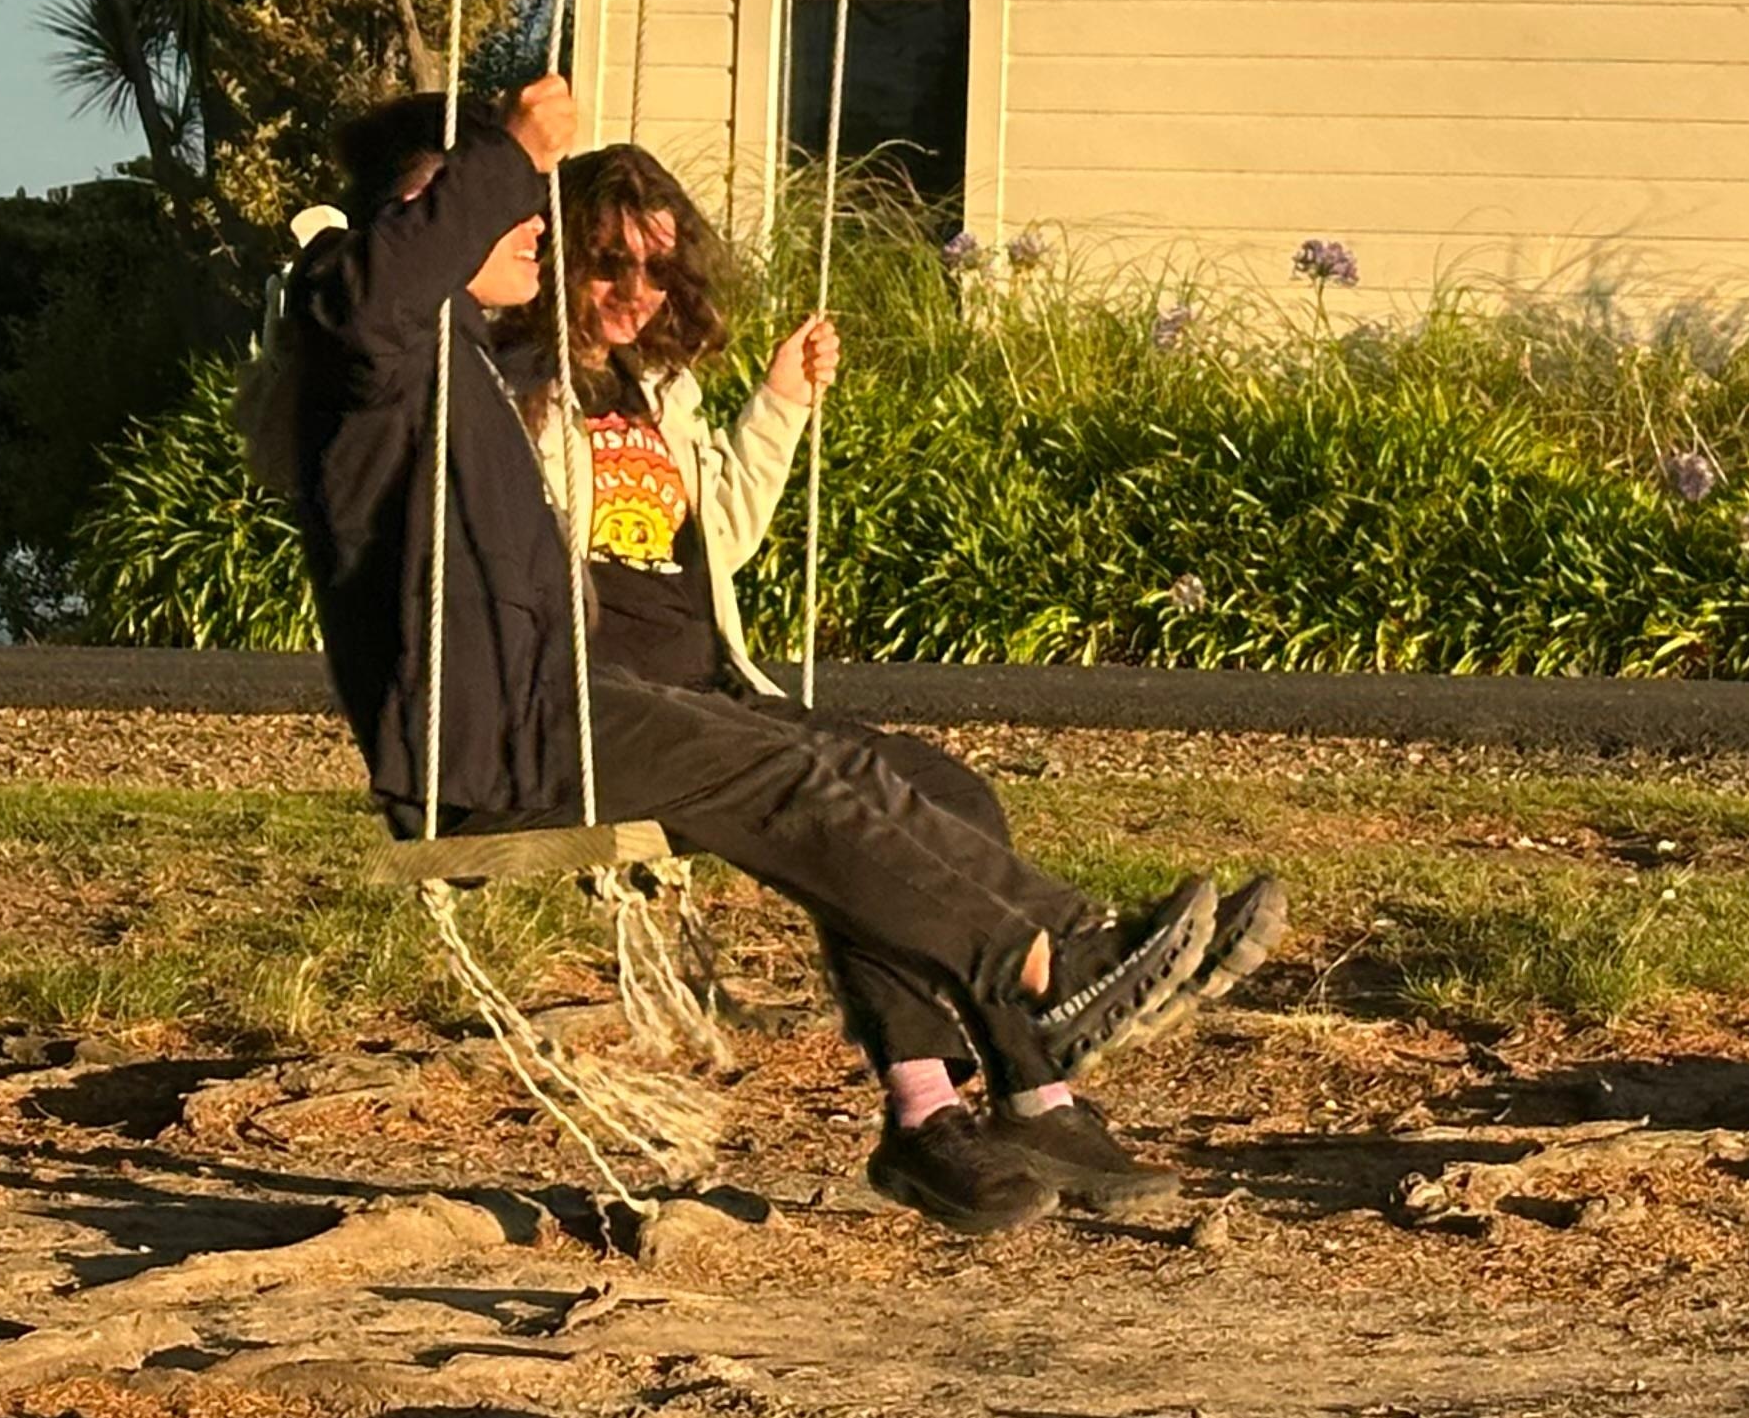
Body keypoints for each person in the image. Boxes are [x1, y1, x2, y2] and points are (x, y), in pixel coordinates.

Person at [277, 74, 1226, 1233]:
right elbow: (377, 285)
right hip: (489, 743)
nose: (536, 227)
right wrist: (508, 154)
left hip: (550, 705)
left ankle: (987, 1093)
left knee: (917, 783)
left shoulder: (456, 354)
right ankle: (1051, 963)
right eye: (521, 210)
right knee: (798, 783)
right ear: (429, 206)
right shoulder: (360, 325)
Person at [514, 141, 1289, 1230]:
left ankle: (1010, 1096)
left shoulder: (662, 391)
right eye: (607, 265)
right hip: (606, 710)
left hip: (714, 691)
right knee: (827, 800)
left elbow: (720, 538)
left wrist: (778, 404)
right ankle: (1047, 983)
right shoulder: (513, 386)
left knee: (947, 794)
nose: (634, 293)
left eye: (655, 268)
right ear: (555, 263)